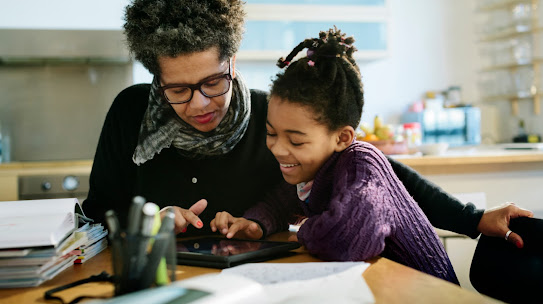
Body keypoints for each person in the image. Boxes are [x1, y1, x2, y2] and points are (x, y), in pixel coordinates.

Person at [82, 0, 532, 246]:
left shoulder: (273, 119)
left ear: (232, 60)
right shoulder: (130, 112)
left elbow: (372, 169)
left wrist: (473, 219)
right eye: (177, 89)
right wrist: (148, 219)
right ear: (155, 78)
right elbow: (99, 210)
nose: (201, 103)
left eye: (214, 81)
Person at [210, 28, 460, 283]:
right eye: (271, 133)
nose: (278, 148)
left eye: (296, 140)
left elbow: (346, 240)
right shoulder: (314, 171)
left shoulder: (361, 164)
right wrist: (255, 223)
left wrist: (304, 228)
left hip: (428, 292)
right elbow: (282, 202)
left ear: (342, 138)